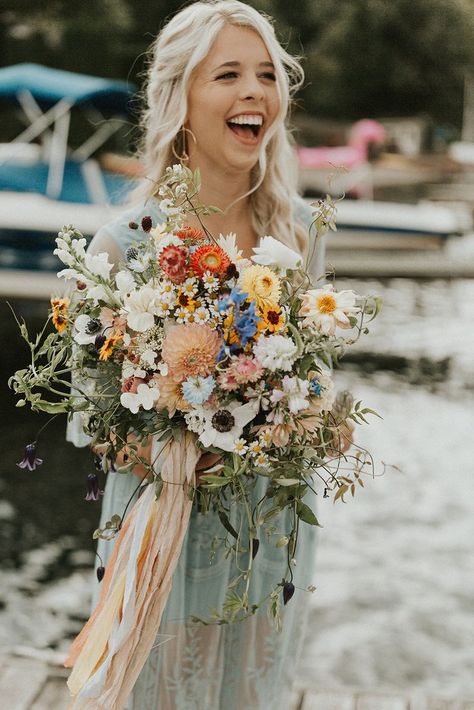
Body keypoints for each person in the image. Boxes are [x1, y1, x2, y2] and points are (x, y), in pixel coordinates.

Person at [68, 1, 325, 708]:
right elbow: (89, 423)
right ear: (181, 99)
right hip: (164, 536)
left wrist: (310, 421)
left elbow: (317, 378)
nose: (255, 92)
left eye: (268, 75)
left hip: (269, 531)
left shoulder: (298, 233)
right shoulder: (125, 245)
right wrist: (177, 438)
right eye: (229, 75)